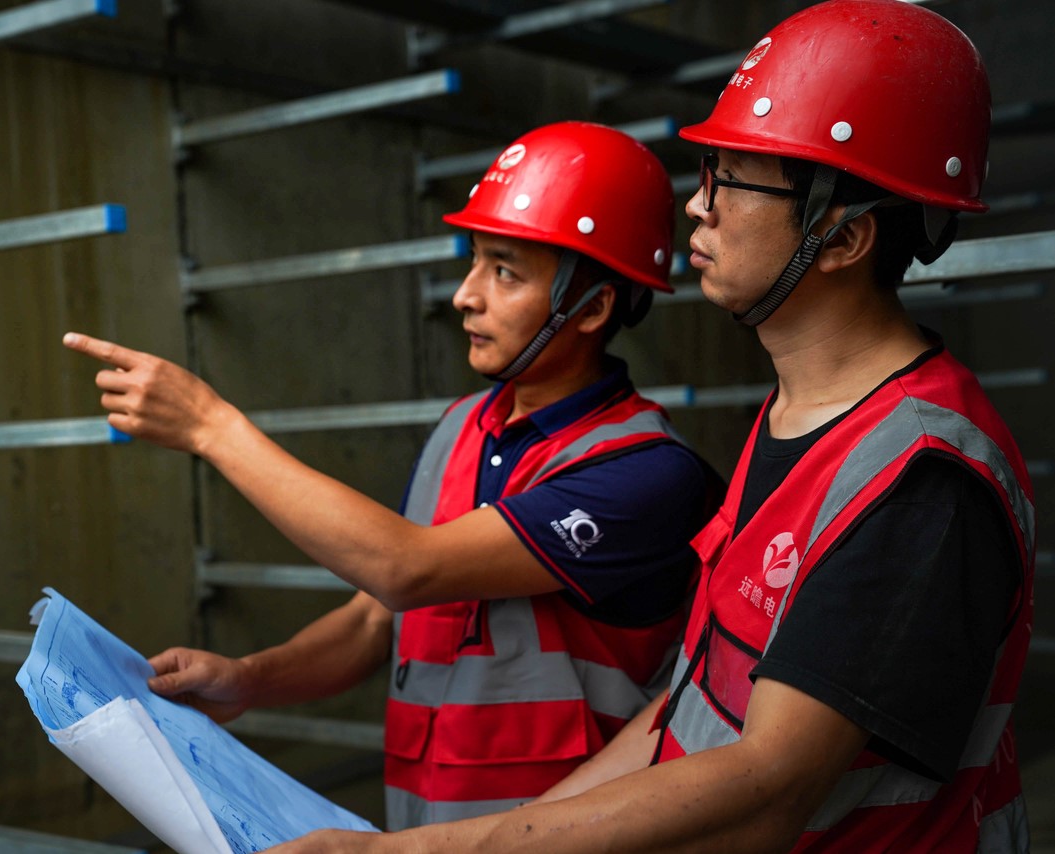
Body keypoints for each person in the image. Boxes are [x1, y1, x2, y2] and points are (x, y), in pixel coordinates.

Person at [266, 1, 1035, 851]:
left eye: (733, 178)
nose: (697, 207)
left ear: (843, 238)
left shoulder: (920, 475)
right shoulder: (794, 423)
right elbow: (683, 714)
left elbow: (768, 788)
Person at [64, 122, 720, 829]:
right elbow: (378, 617)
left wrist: (211, 426)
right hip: (422, 831)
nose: (464, 296)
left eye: (504, 271)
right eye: (474, 262)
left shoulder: (646, 474)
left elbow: (407, 569)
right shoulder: (461, 427)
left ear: (591, 309)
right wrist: (250, 678)